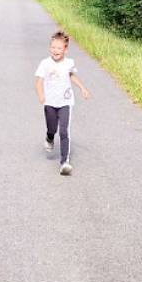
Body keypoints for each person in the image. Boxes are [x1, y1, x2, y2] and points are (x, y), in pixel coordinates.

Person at [34, 31, 90, 175]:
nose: (55, 51)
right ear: (49, 48)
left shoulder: (69, 63)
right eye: (53, 47)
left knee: (64, 131)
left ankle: (65, 162)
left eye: (59, 48)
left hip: (65, 101)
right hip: (50, 102)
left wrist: (82, 88)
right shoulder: (45, 63)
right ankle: (49, 137)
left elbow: (71, 75)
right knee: (52, 128)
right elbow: (39, 81)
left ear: (65, 49)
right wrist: (41, 95)